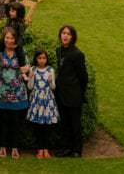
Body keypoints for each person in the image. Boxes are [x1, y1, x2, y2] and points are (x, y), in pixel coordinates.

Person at [0, 25, 30, 159]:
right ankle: (2, 147)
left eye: (12, 38)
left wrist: (26, 69)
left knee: (15, 121)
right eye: (7, 38)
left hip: (17, 92)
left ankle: (14, 147)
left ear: (15, 39)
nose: (9, 40)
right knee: (3, 121)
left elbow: (27, 66)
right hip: (1, 92)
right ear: (4, 39)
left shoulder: (21, 51)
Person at [54, 24, 88, 158]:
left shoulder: (77, 54)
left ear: (72, 37)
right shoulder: (59, 50)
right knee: (65, 123)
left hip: (74, 95)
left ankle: (77, 150)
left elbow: (83, 77)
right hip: (62, 93)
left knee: (75, 124)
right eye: (63, 33)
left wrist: (80, 92)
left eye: (68, 34)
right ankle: (66, 148)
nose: (65, 36)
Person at [26, 49, 60, 159]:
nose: (42, 60)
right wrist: (30, 78)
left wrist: (50, 81)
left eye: (44, 58)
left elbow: (53, 87)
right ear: (36, 59)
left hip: (47, 100)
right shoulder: (33, 69)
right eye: (39, 58)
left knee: (47, 126)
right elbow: (30, 87)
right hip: (36, 100)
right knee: (38, 126)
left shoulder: (50, 70)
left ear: (46, 59)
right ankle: (40, 149)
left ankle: (46, 149)